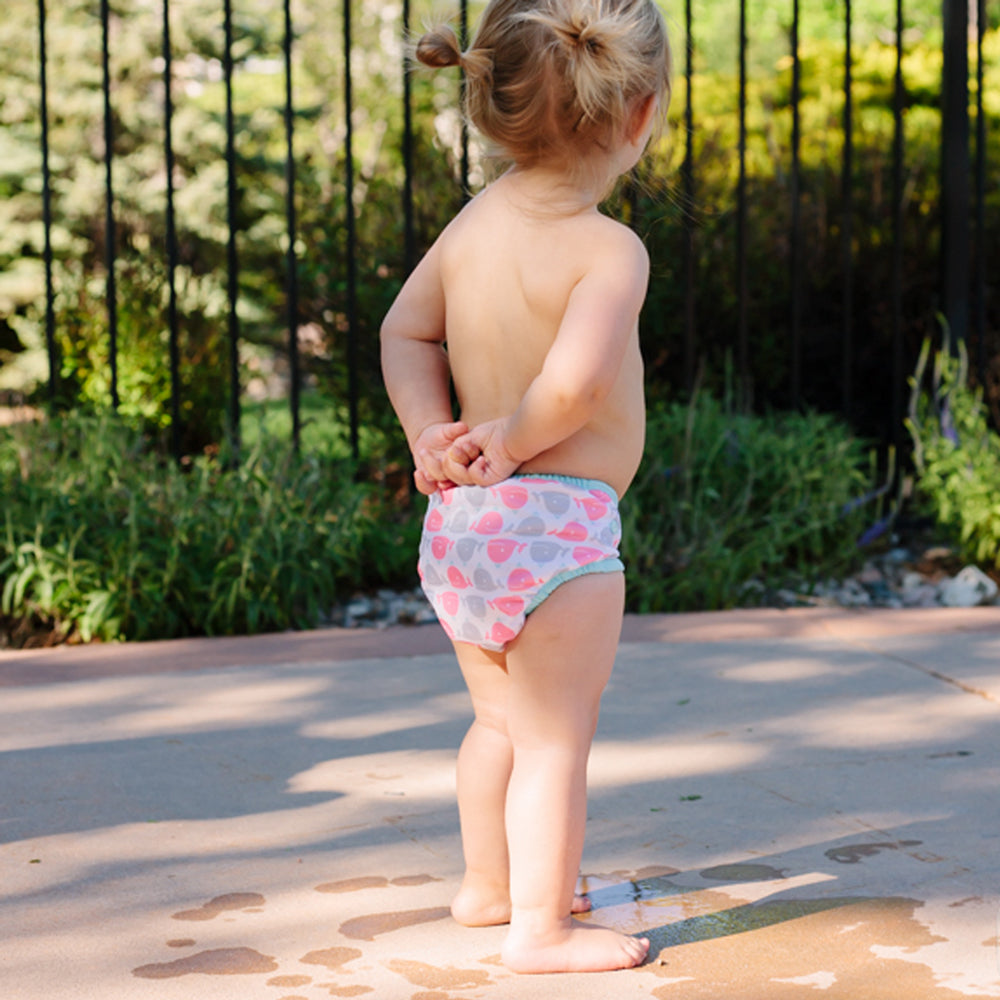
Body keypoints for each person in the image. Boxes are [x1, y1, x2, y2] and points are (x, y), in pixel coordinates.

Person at [380, 0, 671, 974]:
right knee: (555, 740)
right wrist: (510, 439)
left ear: (492, 101)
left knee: (499, 723)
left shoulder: (474, 224)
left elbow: (403, 331)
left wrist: (431, 431)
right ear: (638, 114)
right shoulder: (608, 249)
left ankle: (489, 885)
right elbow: (575, 386)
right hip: (557, 528)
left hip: (463, 526)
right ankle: (540, 930)